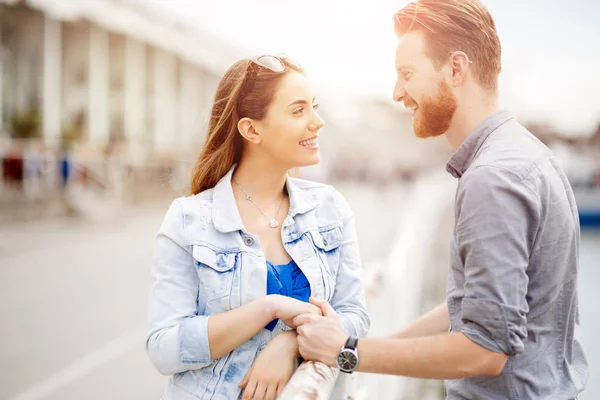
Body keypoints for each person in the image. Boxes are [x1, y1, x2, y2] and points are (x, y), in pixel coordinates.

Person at [293, 1, 589, 399]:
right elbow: (481, 305)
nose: (398, 93)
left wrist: (348, 352)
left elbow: (485, 349)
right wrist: (374, 340)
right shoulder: (531, 155)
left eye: (407, 74)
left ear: (455, 68)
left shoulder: (492, 179)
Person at [146, 54, 370, 400]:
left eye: (314, 106)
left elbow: (355, 317)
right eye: (299, 111)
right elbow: (164, 347)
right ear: (252, 130)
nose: (318, 121)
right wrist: (269, 308)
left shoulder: (330, 210)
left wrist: (292, 342)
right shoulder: (189, 220)